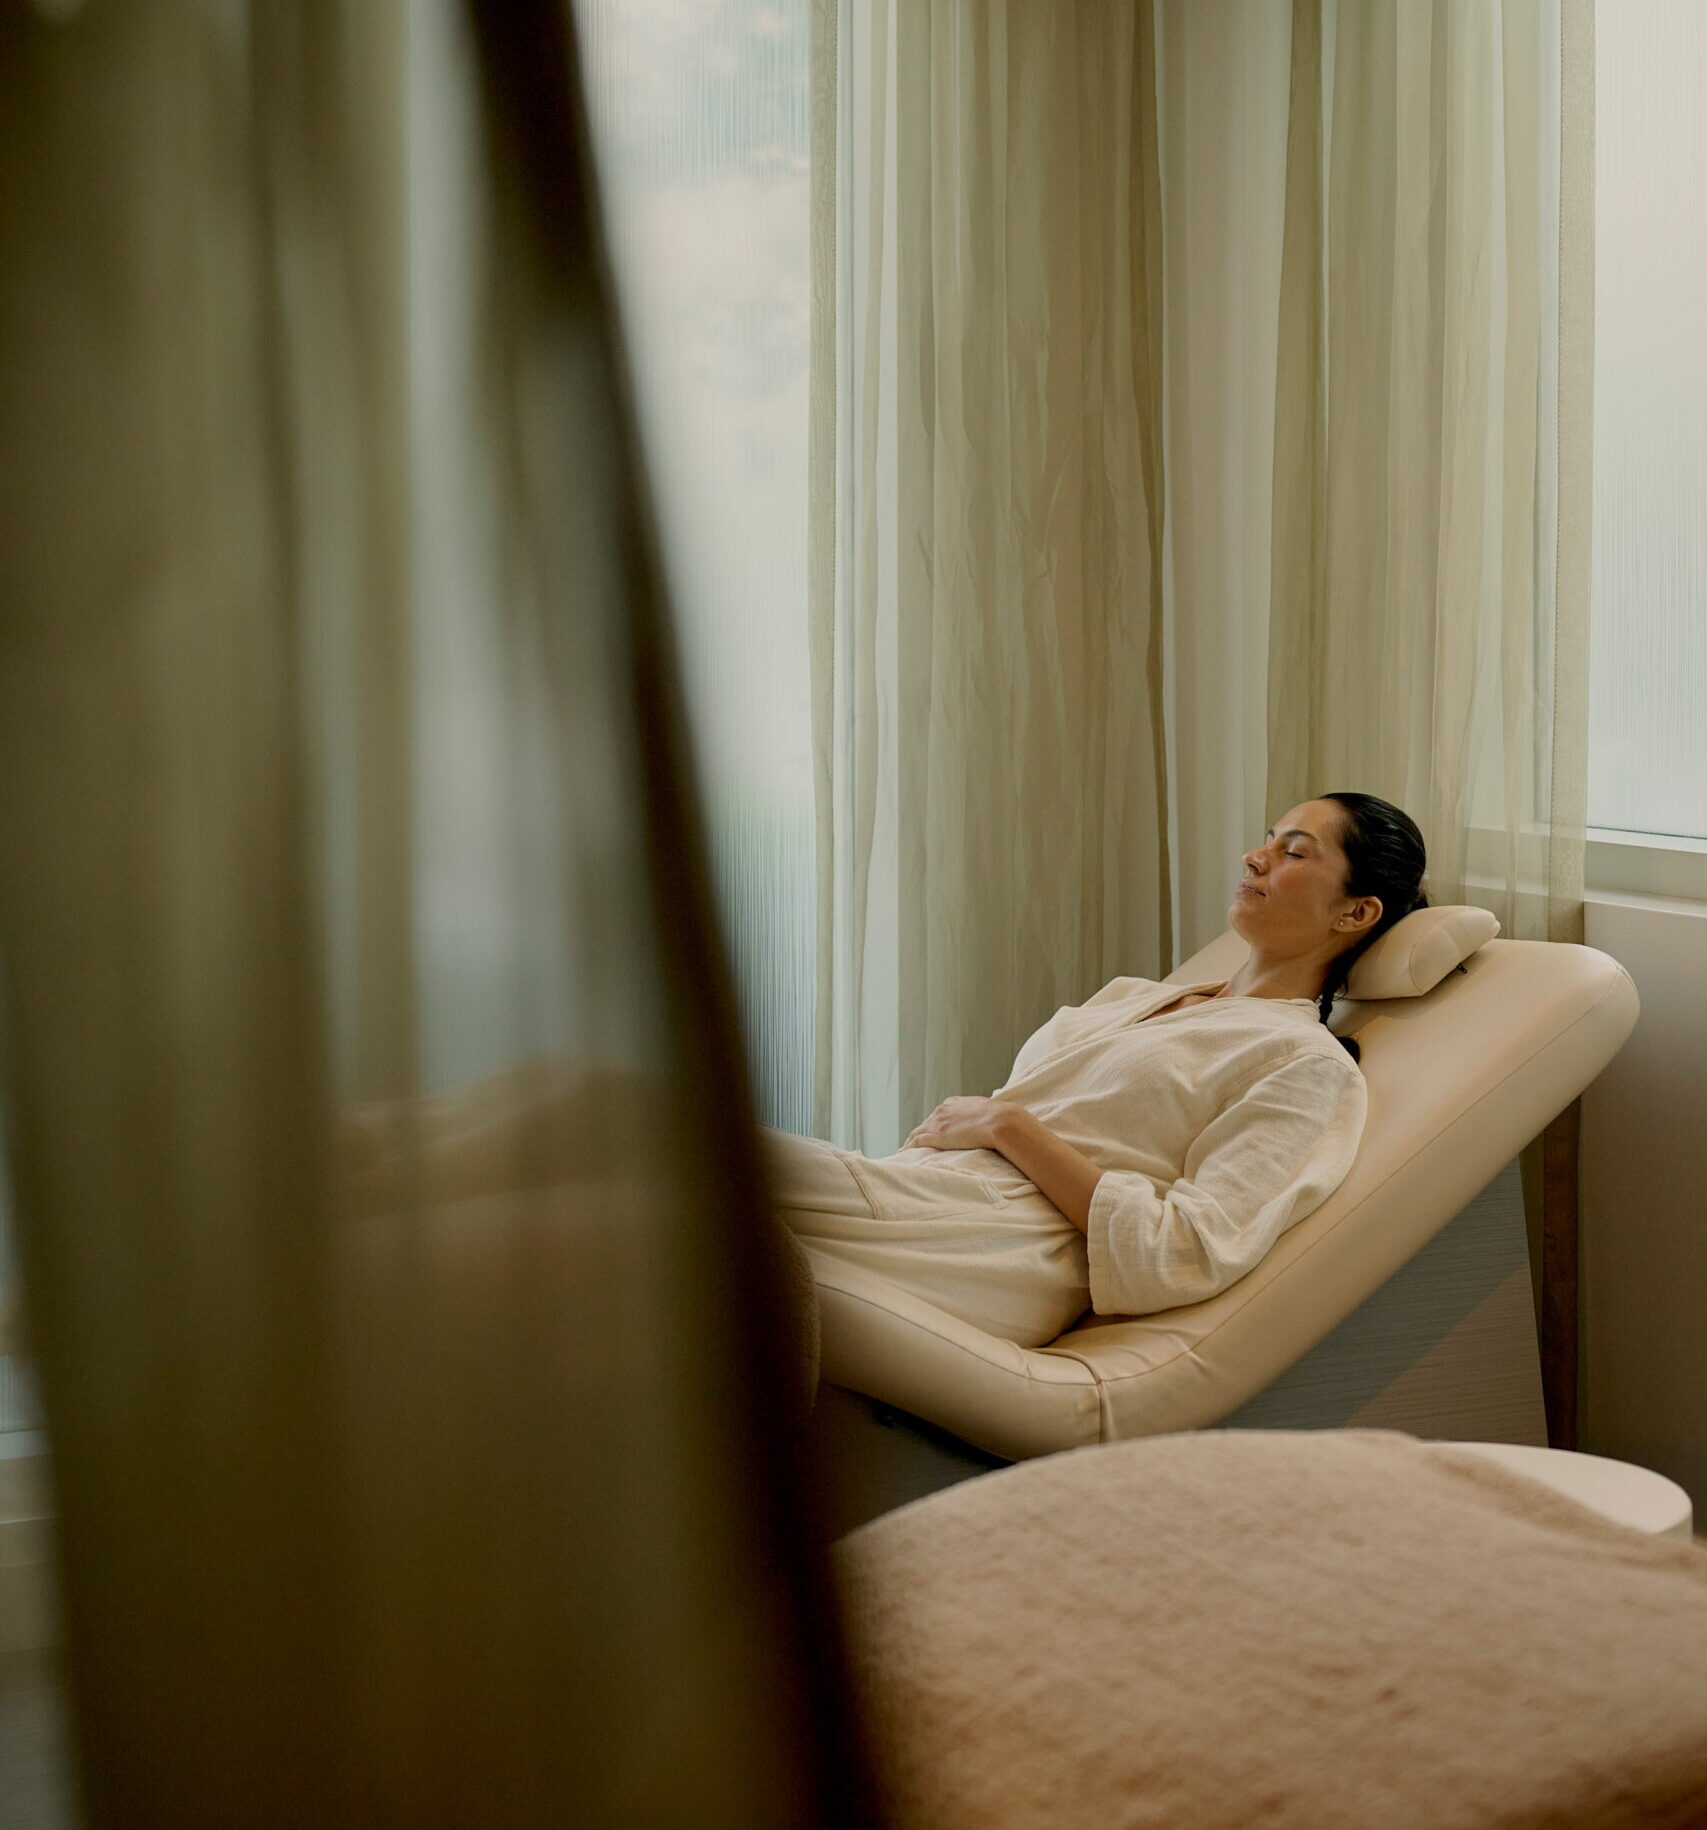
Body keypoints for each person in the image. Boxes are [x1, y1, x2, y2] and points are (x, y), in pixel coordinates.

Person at [764, 792, 1429, 1347]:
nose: (1254, 857)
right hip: (920, 1197)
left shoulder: (1303, 1063)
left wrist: (1007, 1125)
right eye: (1267, 839)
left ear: (1356, 911)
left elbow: (1186, 1250)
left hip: (993, 1250)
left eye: (1293, 852)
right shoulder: (1130, 999)